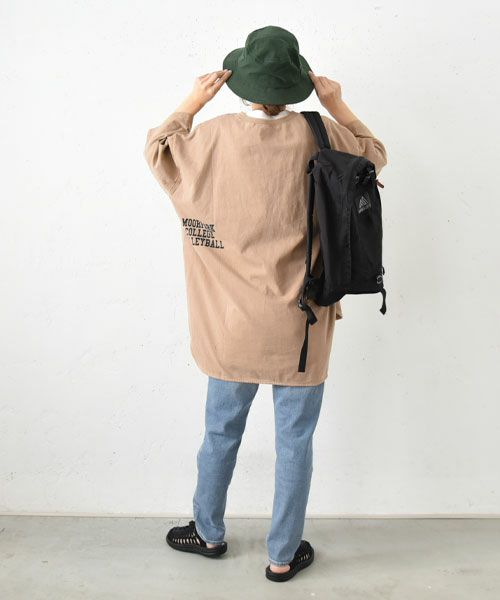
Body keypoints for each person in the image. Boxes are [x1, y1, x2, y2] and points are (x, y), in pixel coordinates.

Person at [144, 25, 387, 582]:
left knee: (219, 433)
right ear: (297, 81)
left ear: (240, 80)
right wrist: (338, 104)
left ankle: (208, 533)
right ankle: (282, 555)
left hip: (229, 326)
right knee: (295, 441)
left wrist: (192, 101)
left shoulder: (209, 138)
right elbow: (375, 156)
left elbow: (157, 150)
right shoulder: (323, 134)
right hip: (301, 324)